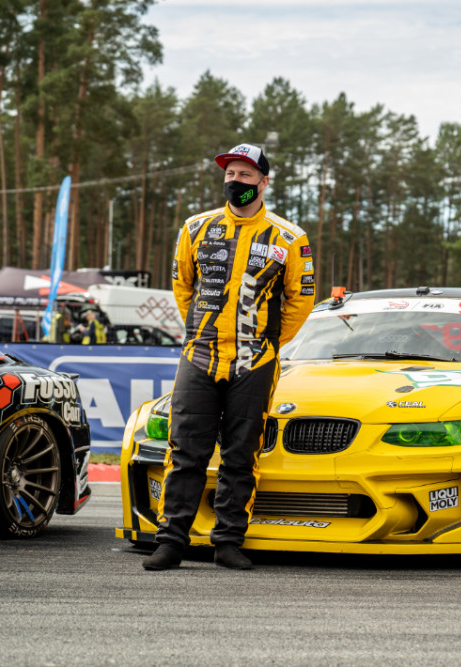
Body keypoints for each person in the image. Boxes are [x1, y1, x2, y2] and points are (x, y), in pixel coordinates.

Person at [143, 143, 315, 571]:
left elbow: (301, 302)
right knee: (185, 450)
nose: (234, 181)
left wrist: (265, 344)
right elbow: (183, 287)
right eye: (230, 174)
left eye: (244, 175)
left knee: (242, 453)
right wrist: (203, 333)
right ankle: (172, 541)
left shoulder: (290, 237)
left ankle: (227, 541)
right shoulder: (195, 227)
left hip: (254, 362)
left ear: (264, 182)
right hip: (199, 355)